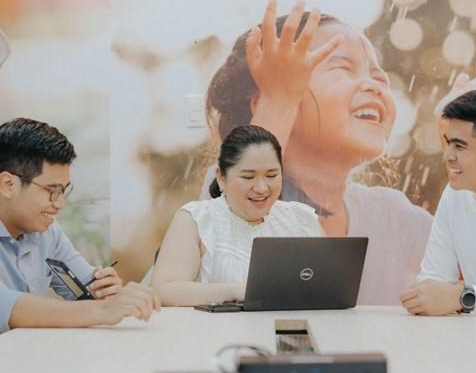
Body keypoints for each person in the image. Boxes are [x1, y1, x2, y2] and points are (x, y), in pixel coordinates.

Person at [204, 0, 476, 305]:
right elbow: (226, 237)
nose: (374, 86)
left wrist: (470, 147)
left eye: (379, 77)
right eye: (343, 68)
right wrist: (278, 101)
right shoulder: (225, 189)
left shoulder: (392, 216)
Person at [0, 118, 160, 333]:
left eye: (63, 191)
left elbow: (84, 287)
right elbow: (7, 306)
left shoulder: (46, 231)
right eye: (51, 191)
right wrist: (103, 310)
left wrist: (102, 290)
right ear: (8, 184)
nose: (59, 204)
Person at [151, 125, 325, 306]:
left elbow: (332, 284)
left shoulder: (301, 219)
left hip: (287, 330)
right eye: (248, 177)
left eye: (271, 175)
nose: (261, 188)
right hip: (213, 332)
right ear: (221, 178)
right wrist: (236, 290)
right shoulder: (195, 219)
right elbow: (164, 291)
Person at [400, 89, 476, 316]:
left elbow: (451, 296)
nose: (447, 156)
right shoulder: (455, 195)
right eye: (447, 144)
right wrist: (425, 298)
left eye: (459, 146)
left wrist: (462, 297)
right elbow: (434, 280)